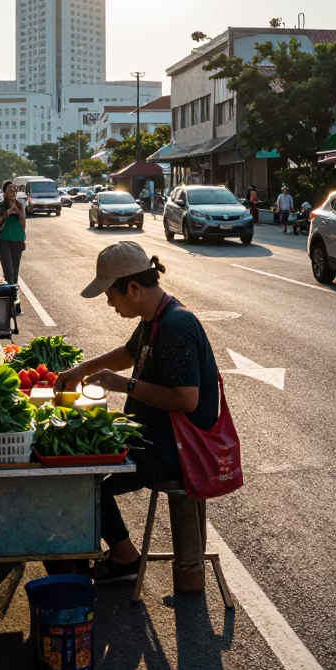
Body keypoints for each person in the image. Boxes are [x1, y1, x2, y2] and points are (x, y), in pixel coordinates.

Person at [55, 241, 220, 591]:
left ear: (133, 288)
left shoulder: (175, 325)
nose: (109, 303)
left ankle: (125, 558)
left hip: (174, 453)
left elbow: (187, 400)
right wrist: (82, 369)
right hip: (153, 441)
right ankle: (121, 555)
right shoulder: (155, 317)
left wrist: (123, 385)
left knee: (83, 485)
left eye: (110, 295)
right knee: (82, 473)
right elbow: (129, 354)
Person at [0, 180, 26, 285]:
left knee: (15, 271)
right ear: (4, 192)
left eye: (14, 189)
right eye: (10, 189)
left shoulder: (20, 205)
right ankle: (10, 291)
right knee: (9, 272)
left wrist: (17, 210)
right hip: (4, 242)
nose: (13, 191)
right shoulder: (1, 206)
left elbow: (23, 225)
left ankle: (13, 291)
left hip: (18, 241)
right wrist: (6, 214)